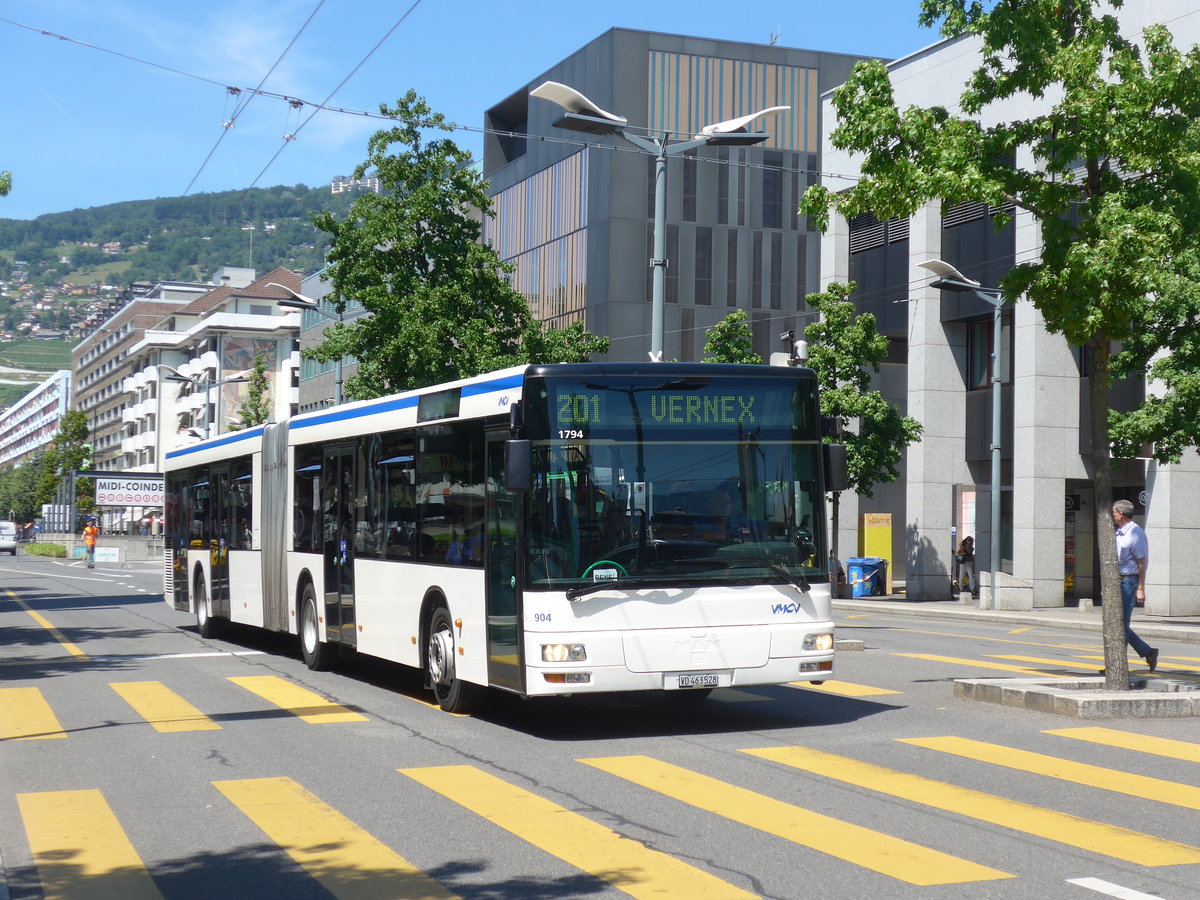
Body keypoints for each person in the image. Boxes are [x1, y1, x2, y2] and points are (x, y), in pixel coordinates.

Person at [1107, 499, 1159, 673]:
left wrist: (1140, 588)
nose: (1112, 515)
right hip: (1117, 581)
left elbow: (1142, 561)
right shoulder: (1119, 533)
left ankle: (1124, 664)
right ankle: (1146, 652)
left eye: (1113, 512)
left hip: (1129, 581)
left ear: (1121, 514)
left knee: (1119, 625)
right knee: (1116, 624)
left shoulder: (1135, 533)